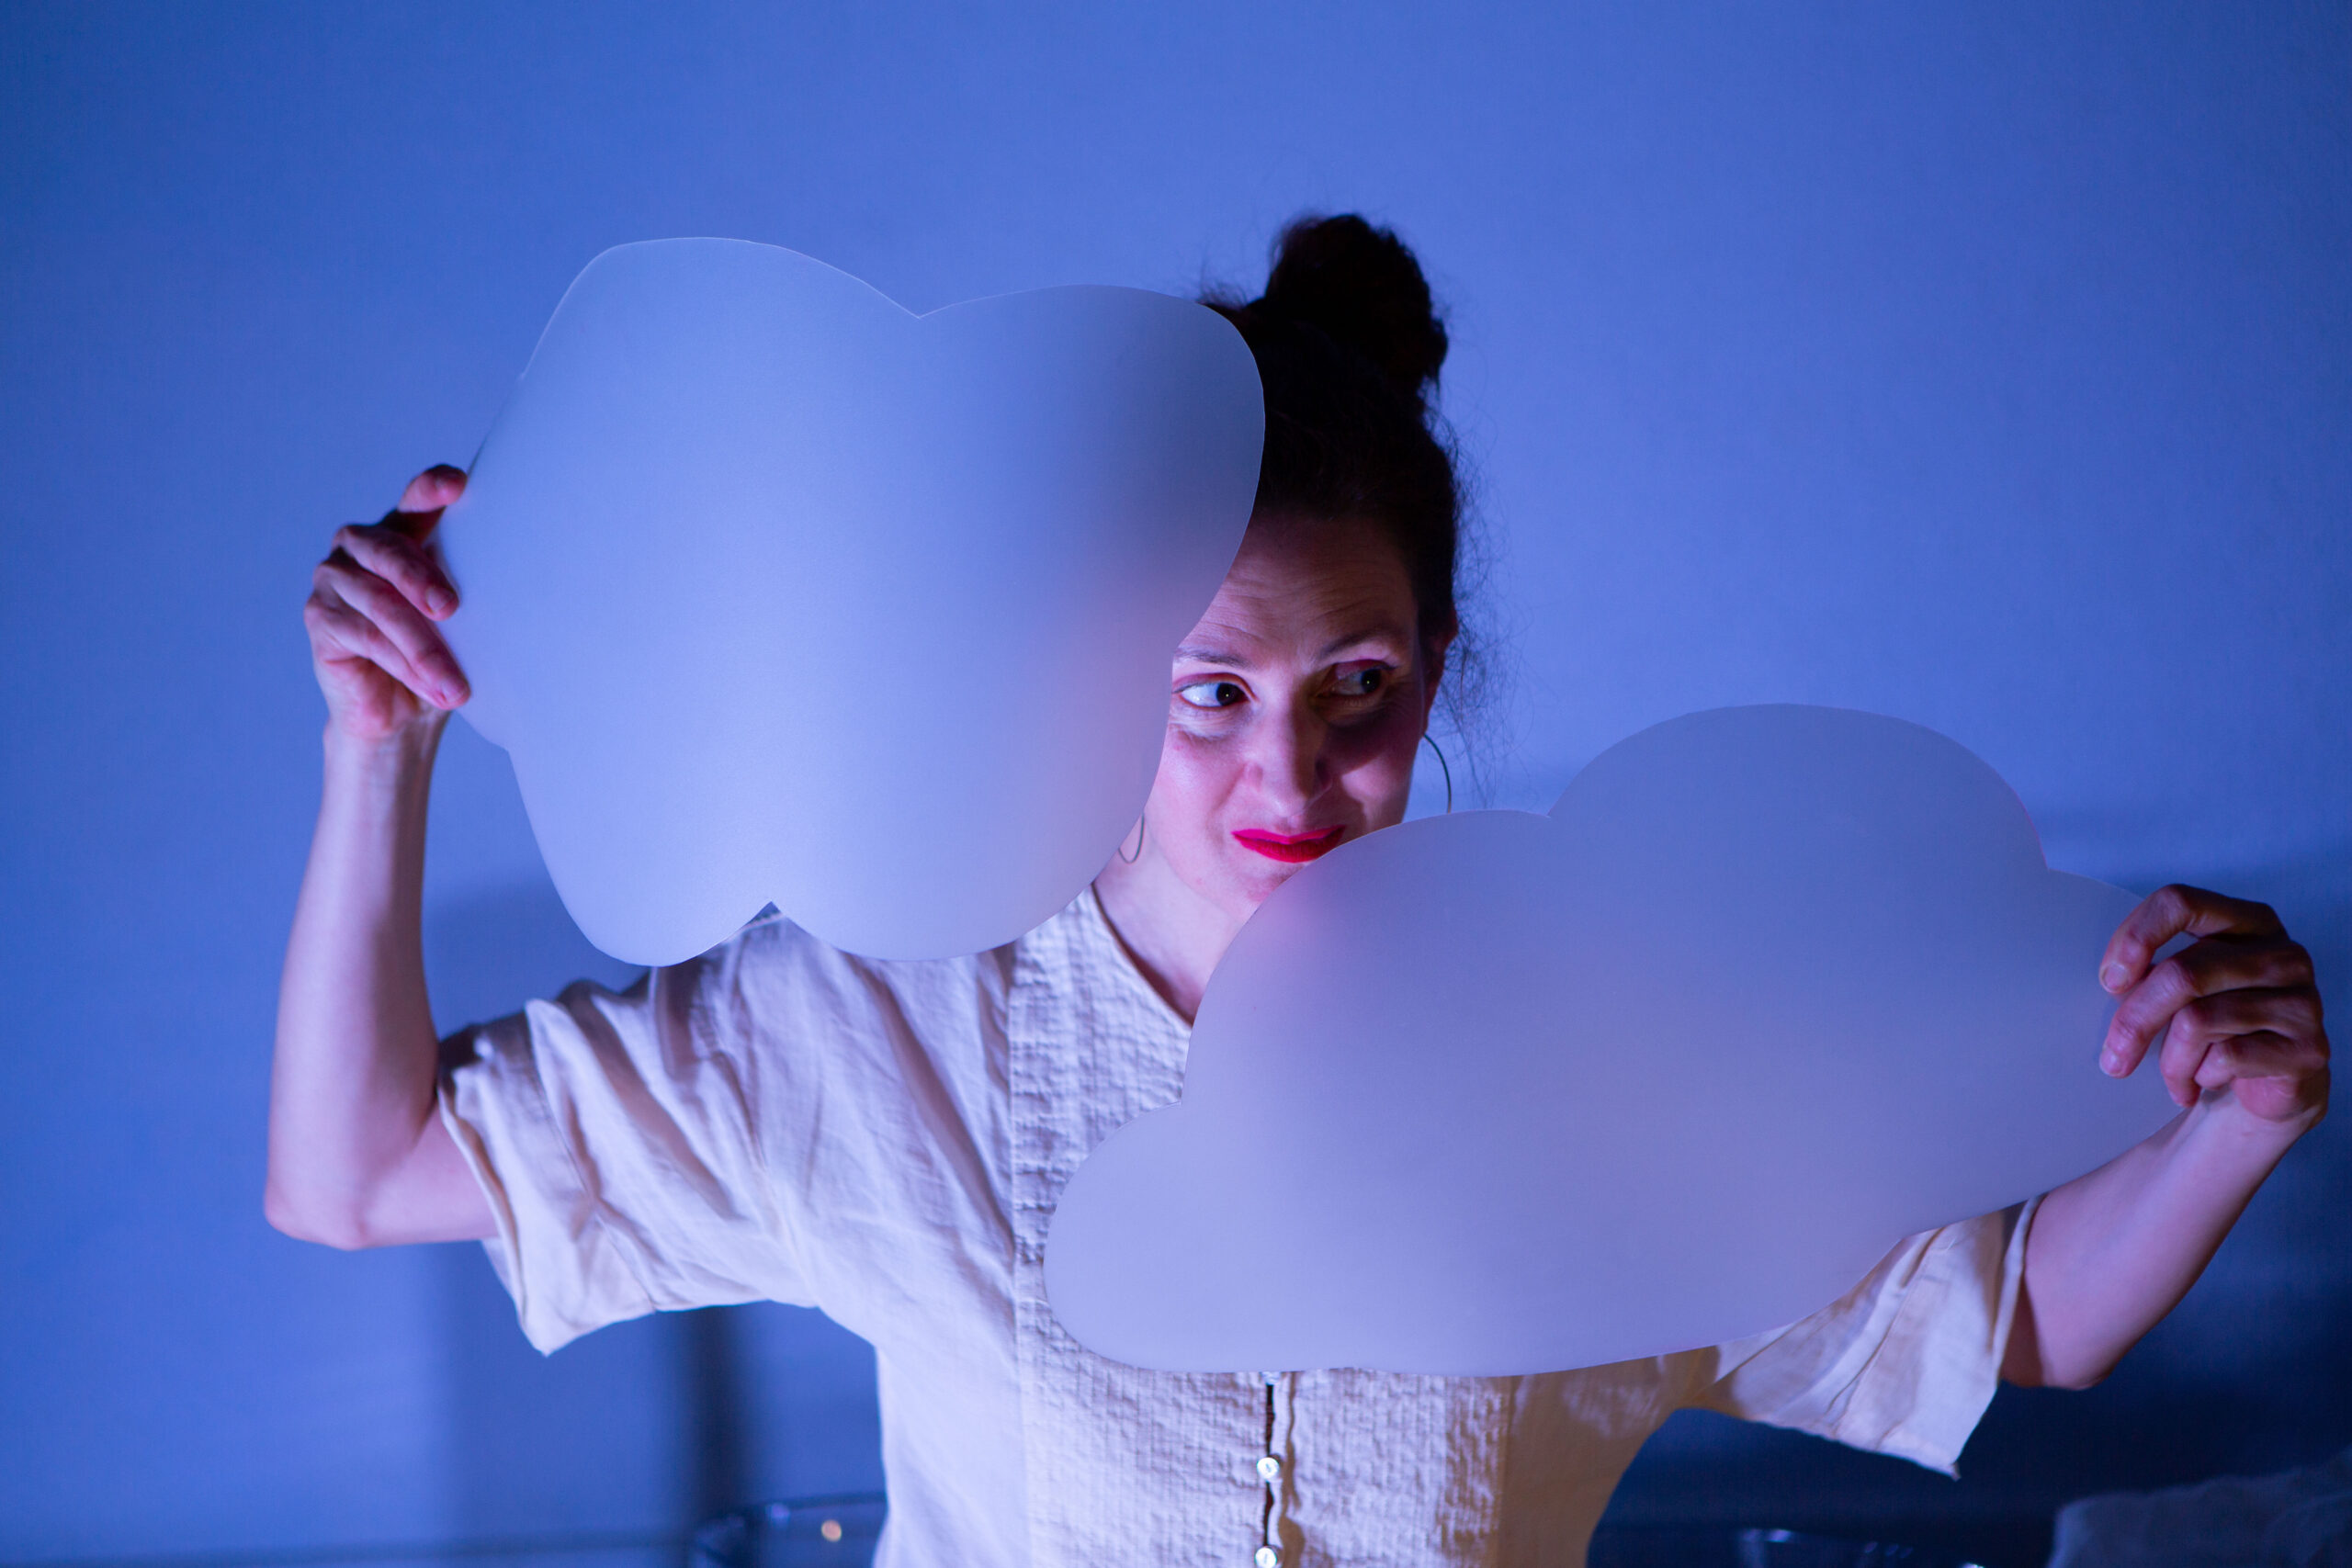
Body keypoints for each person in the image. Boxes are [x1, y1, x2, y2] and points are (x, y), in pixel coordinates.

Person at [270, 216, 2330, 1568]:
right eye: (1203, 687)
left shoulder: (1594, 1037)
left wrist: (2232, 1114)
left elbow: (2003, 1324)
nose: (1285, 769)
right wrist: (385, 749)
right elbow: (351, 1173)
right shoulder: (868, 1012)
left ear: (1429, 665)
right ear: (1090, 669)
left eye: (1353, 686)